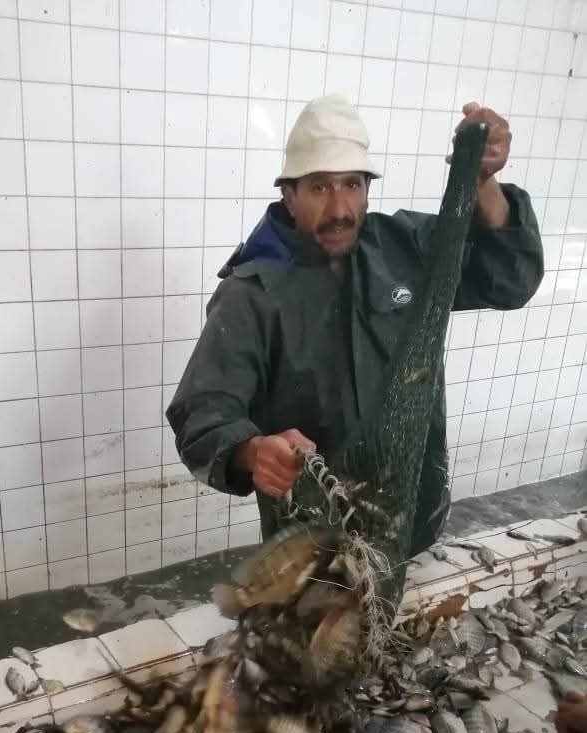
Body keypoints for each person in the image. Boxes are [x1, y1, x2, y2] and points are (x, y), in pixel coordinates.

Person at [166, 96, 544, 557]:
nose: (340, 208)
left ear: (367, 188)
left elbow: (510, 280)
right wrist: (253, 451)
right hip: (313, 546)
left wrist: (482, 182)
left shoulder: (407, 248)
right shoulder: (252, 293)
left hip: (414, 526)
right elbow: (202, 413)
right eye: (319, 187)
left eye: (352, 184)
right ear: (289, 195)